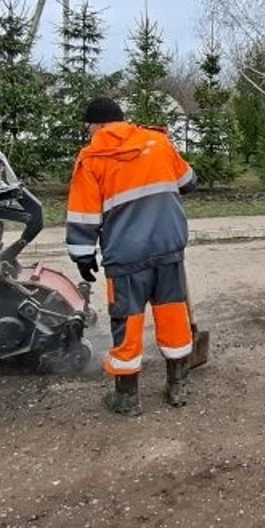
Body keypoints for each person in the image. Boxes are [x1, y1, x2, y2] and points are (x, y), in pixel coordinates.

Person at [66, 97, 198, 416]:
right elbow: (189, 182)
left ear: (97, 125)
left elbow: (84, 214)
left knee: (127, 322)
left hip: (126, 256)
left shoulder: (91, 157)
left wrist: (82, 255)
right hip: (168, 248)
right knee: (173, 316)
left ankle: (127, 398)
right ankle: (178, 386)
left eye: (89, 128)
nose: (88, 133)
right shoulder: (159, 142)